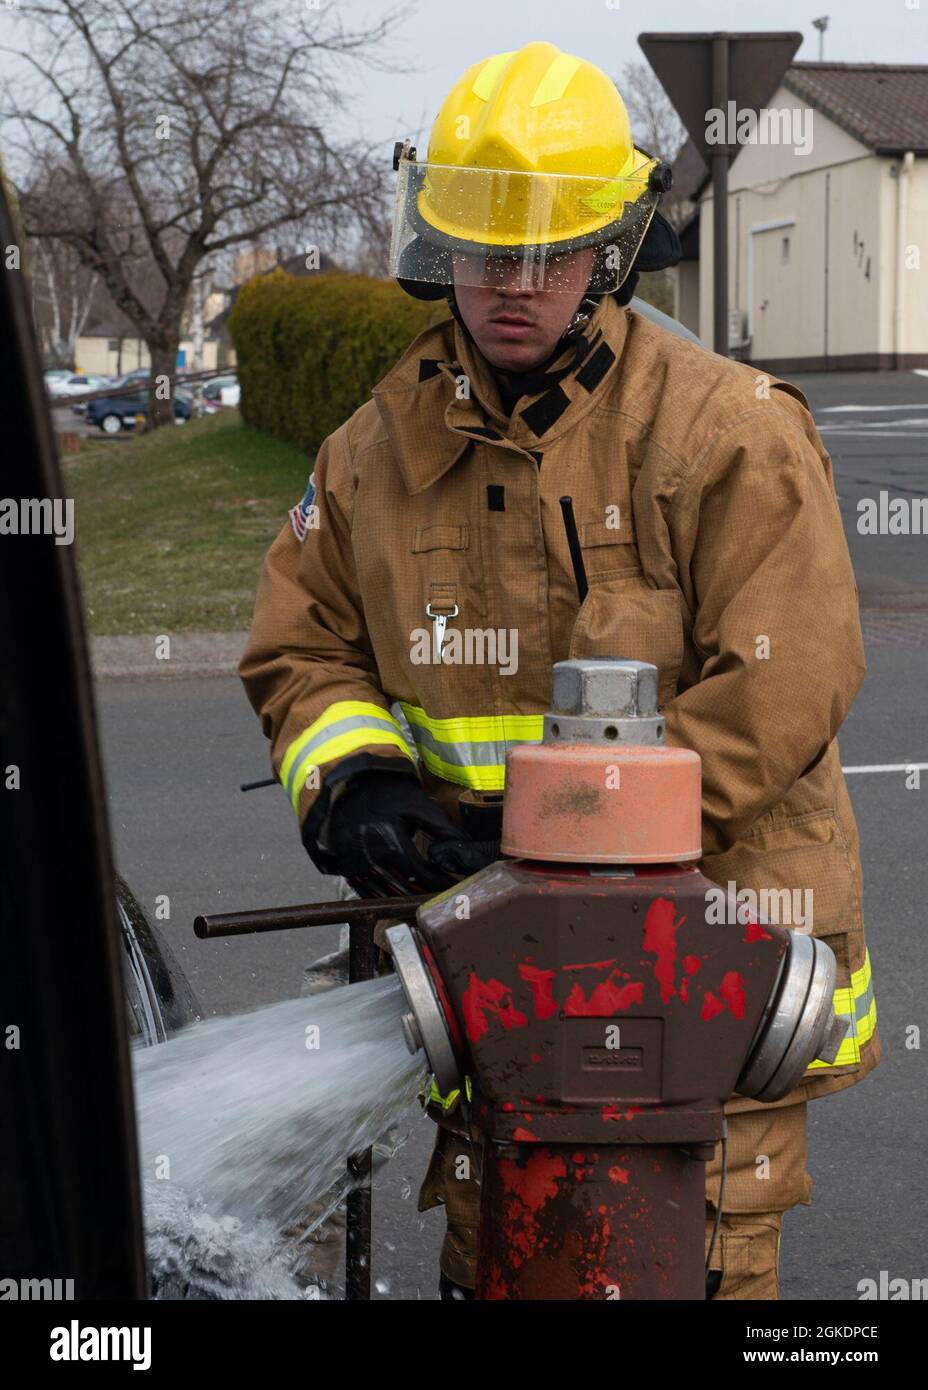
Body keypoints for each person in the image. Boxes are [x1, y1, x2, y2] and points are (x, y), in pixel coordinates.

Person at [240, 41, 879, 1300]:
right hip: (491, 1004)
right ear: (444, 250)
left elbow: (787, 677)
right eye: (487, 252)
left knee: (677, 1269)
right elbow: (302, 641)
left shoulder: (728, 432)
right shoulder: (370, 451)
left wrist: (551, 859)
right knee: (503, 1261)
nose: (514, 285)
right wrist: (355, 779)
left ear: (611, 251)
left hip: (699, 984)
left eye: (550, 253)